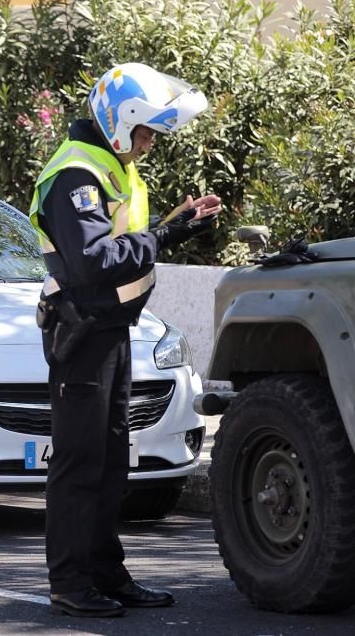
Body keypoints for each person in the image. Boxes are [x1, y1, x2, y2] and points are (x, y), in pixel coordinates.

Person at [28, 63, 222, 617]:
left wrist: (175, 223)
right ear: (120, 121)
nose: (152, 145)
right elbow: (93, 262)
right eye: (147, 133)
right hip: (82, 335)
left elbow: (122, 239)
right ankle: (70, 582)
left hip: (111, 332)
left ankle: (106, 573)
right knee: (79, 464)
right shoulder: (75, 173)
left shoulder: (110, 166)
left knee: (112, 461)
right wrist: (163, 235)